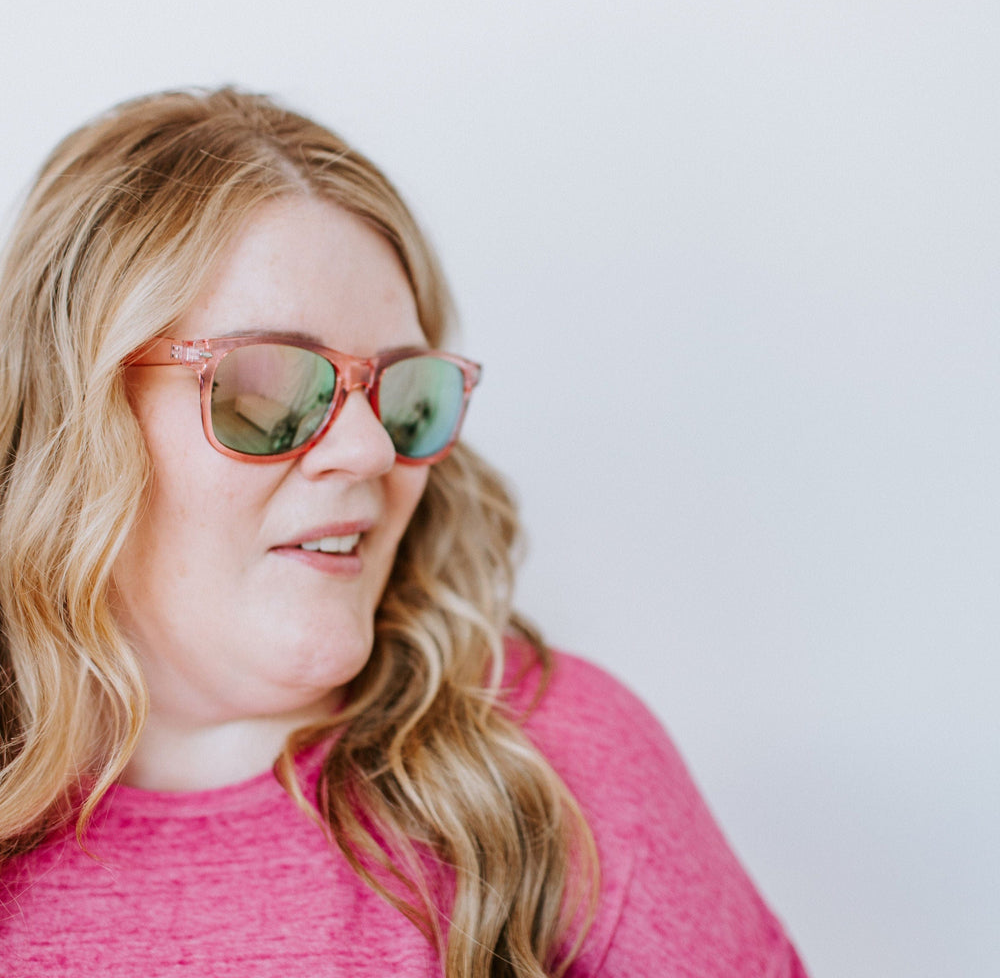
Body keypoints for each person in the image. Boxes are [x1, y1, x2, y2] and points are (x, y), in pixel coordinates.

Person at [0, 87, 807, 977]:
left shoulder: (563, 769)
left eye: (404, 391)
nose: (371, 447)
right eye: (269, 387)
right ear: (75, 421)